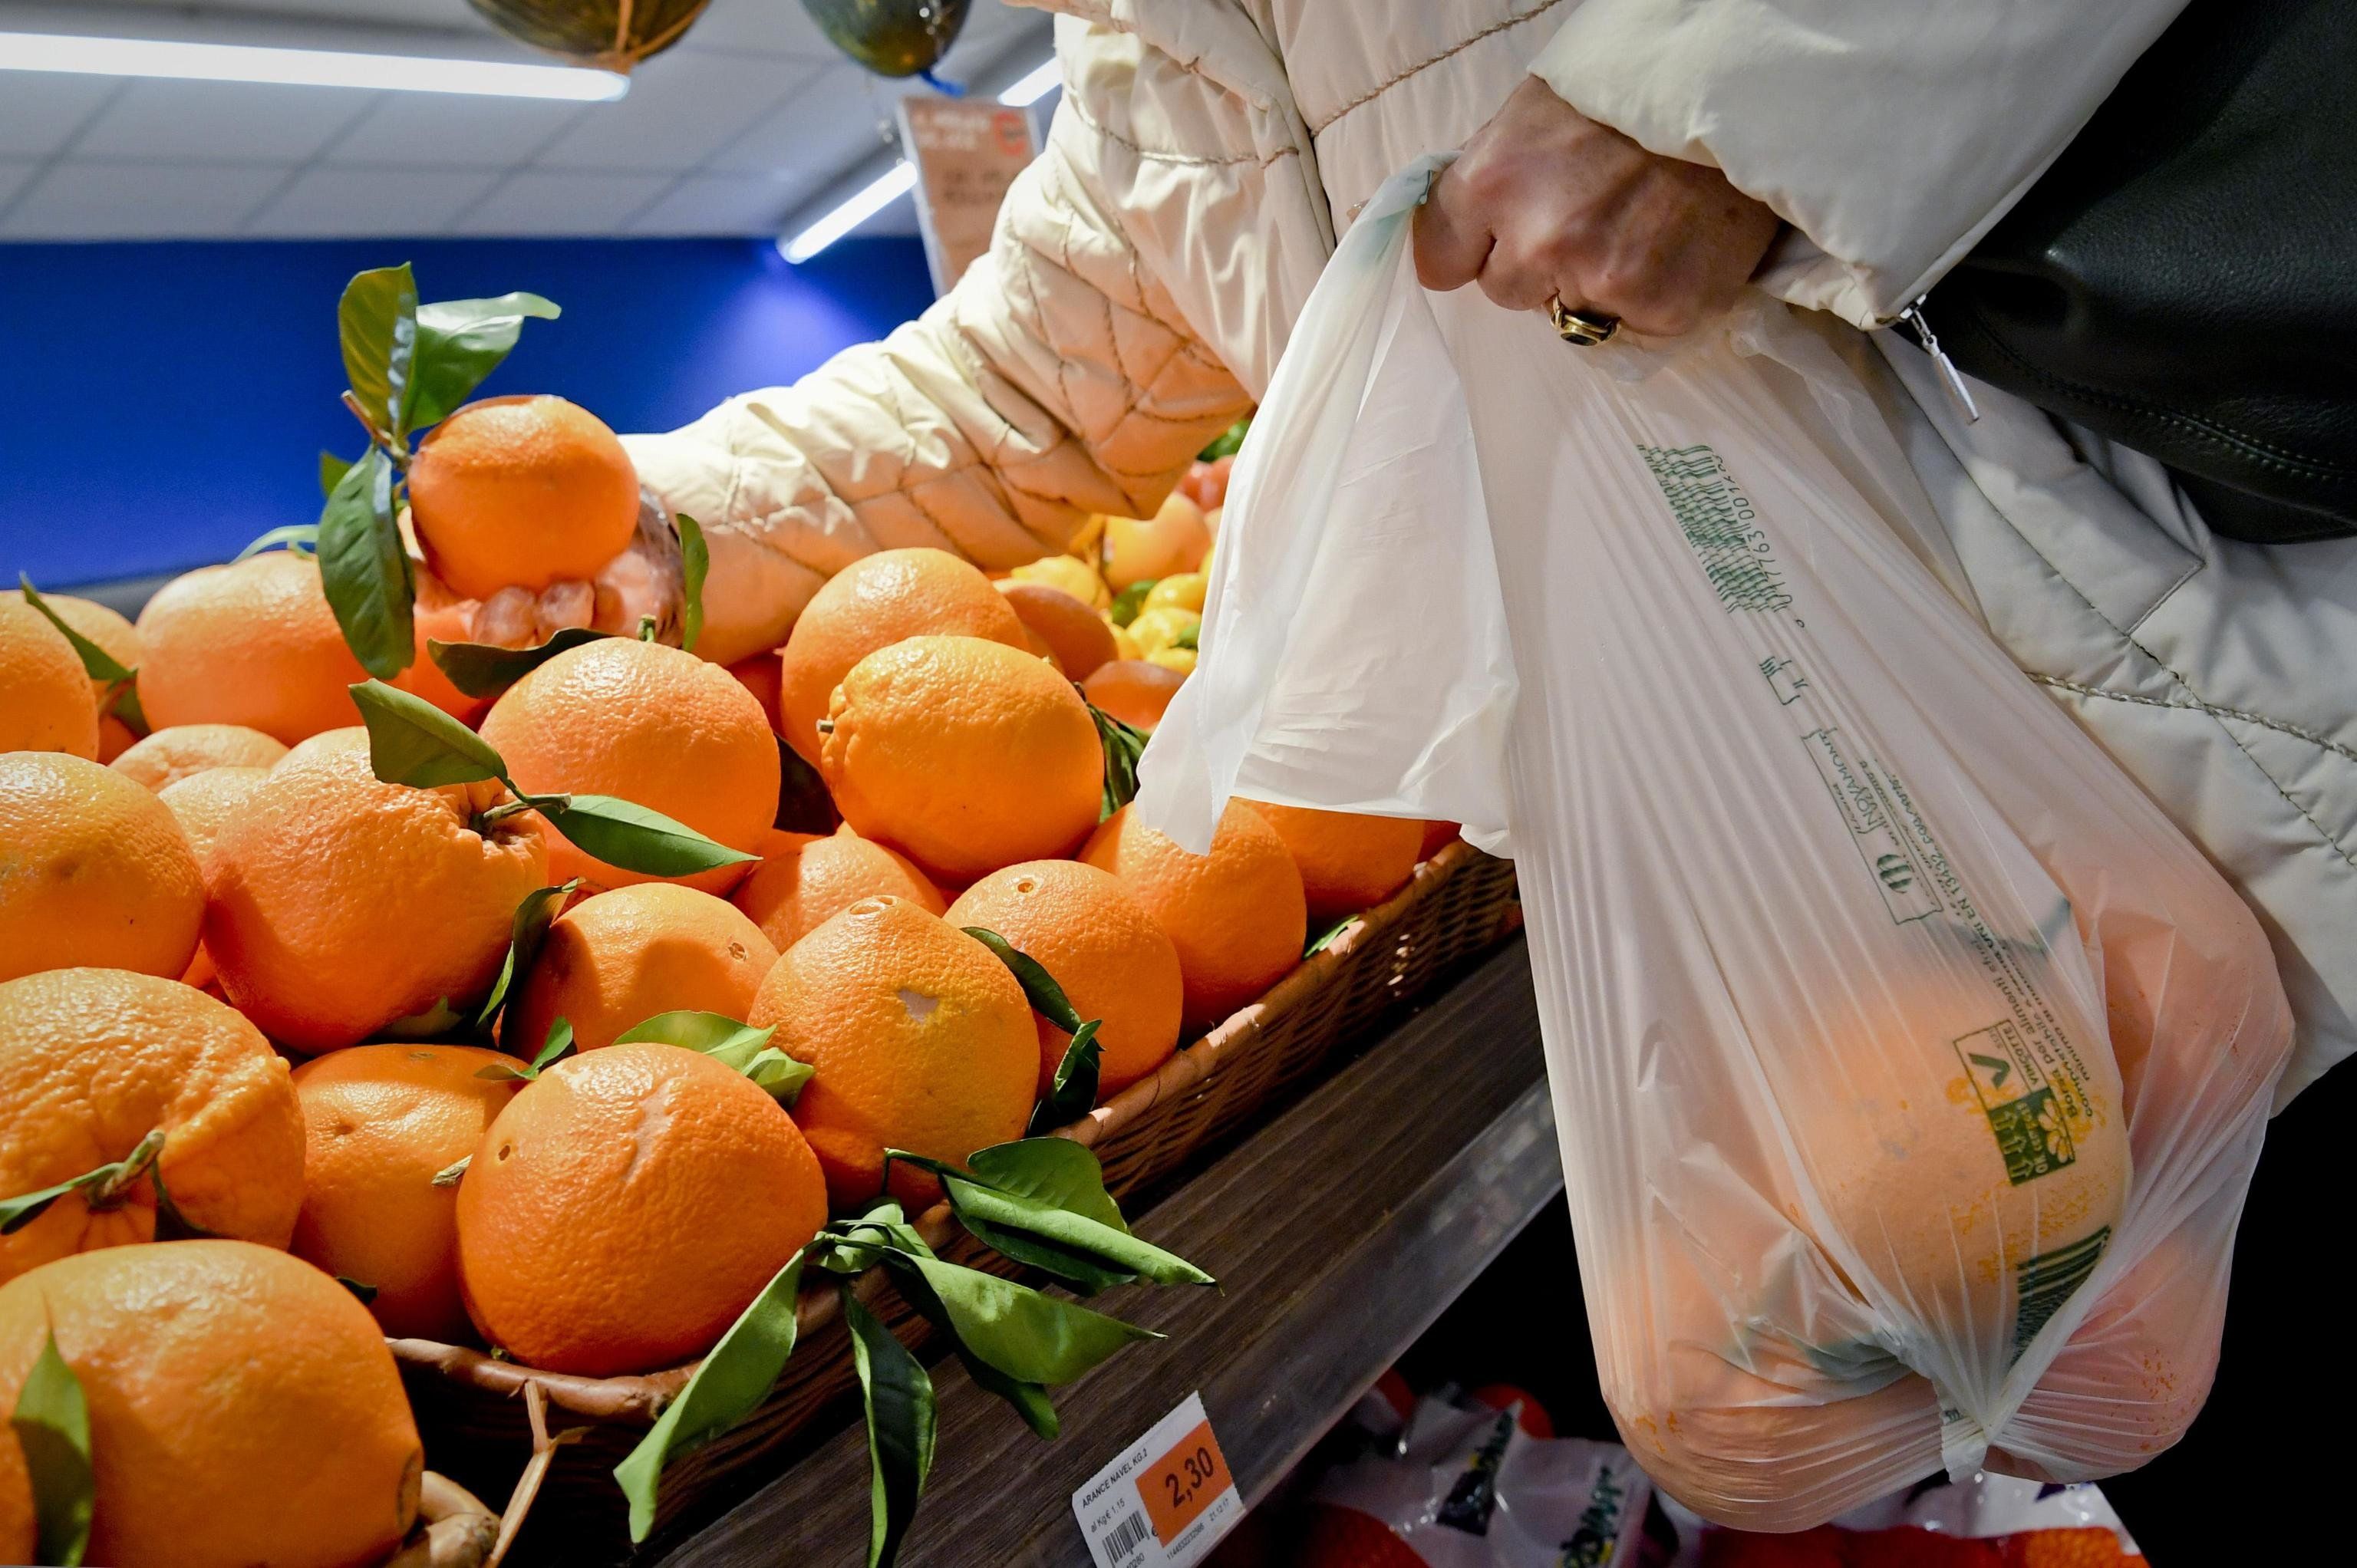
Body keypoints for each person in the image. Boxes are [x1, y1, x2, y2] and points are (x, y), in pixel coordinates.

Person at [443, 3, 2355, 1546]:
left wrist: (1718, 96)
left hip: (2174, 717)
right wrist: (654, 523)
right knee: (2032, 1367)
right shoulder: (1159, 63)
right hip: (1823, 904)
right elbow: (1026, 389)